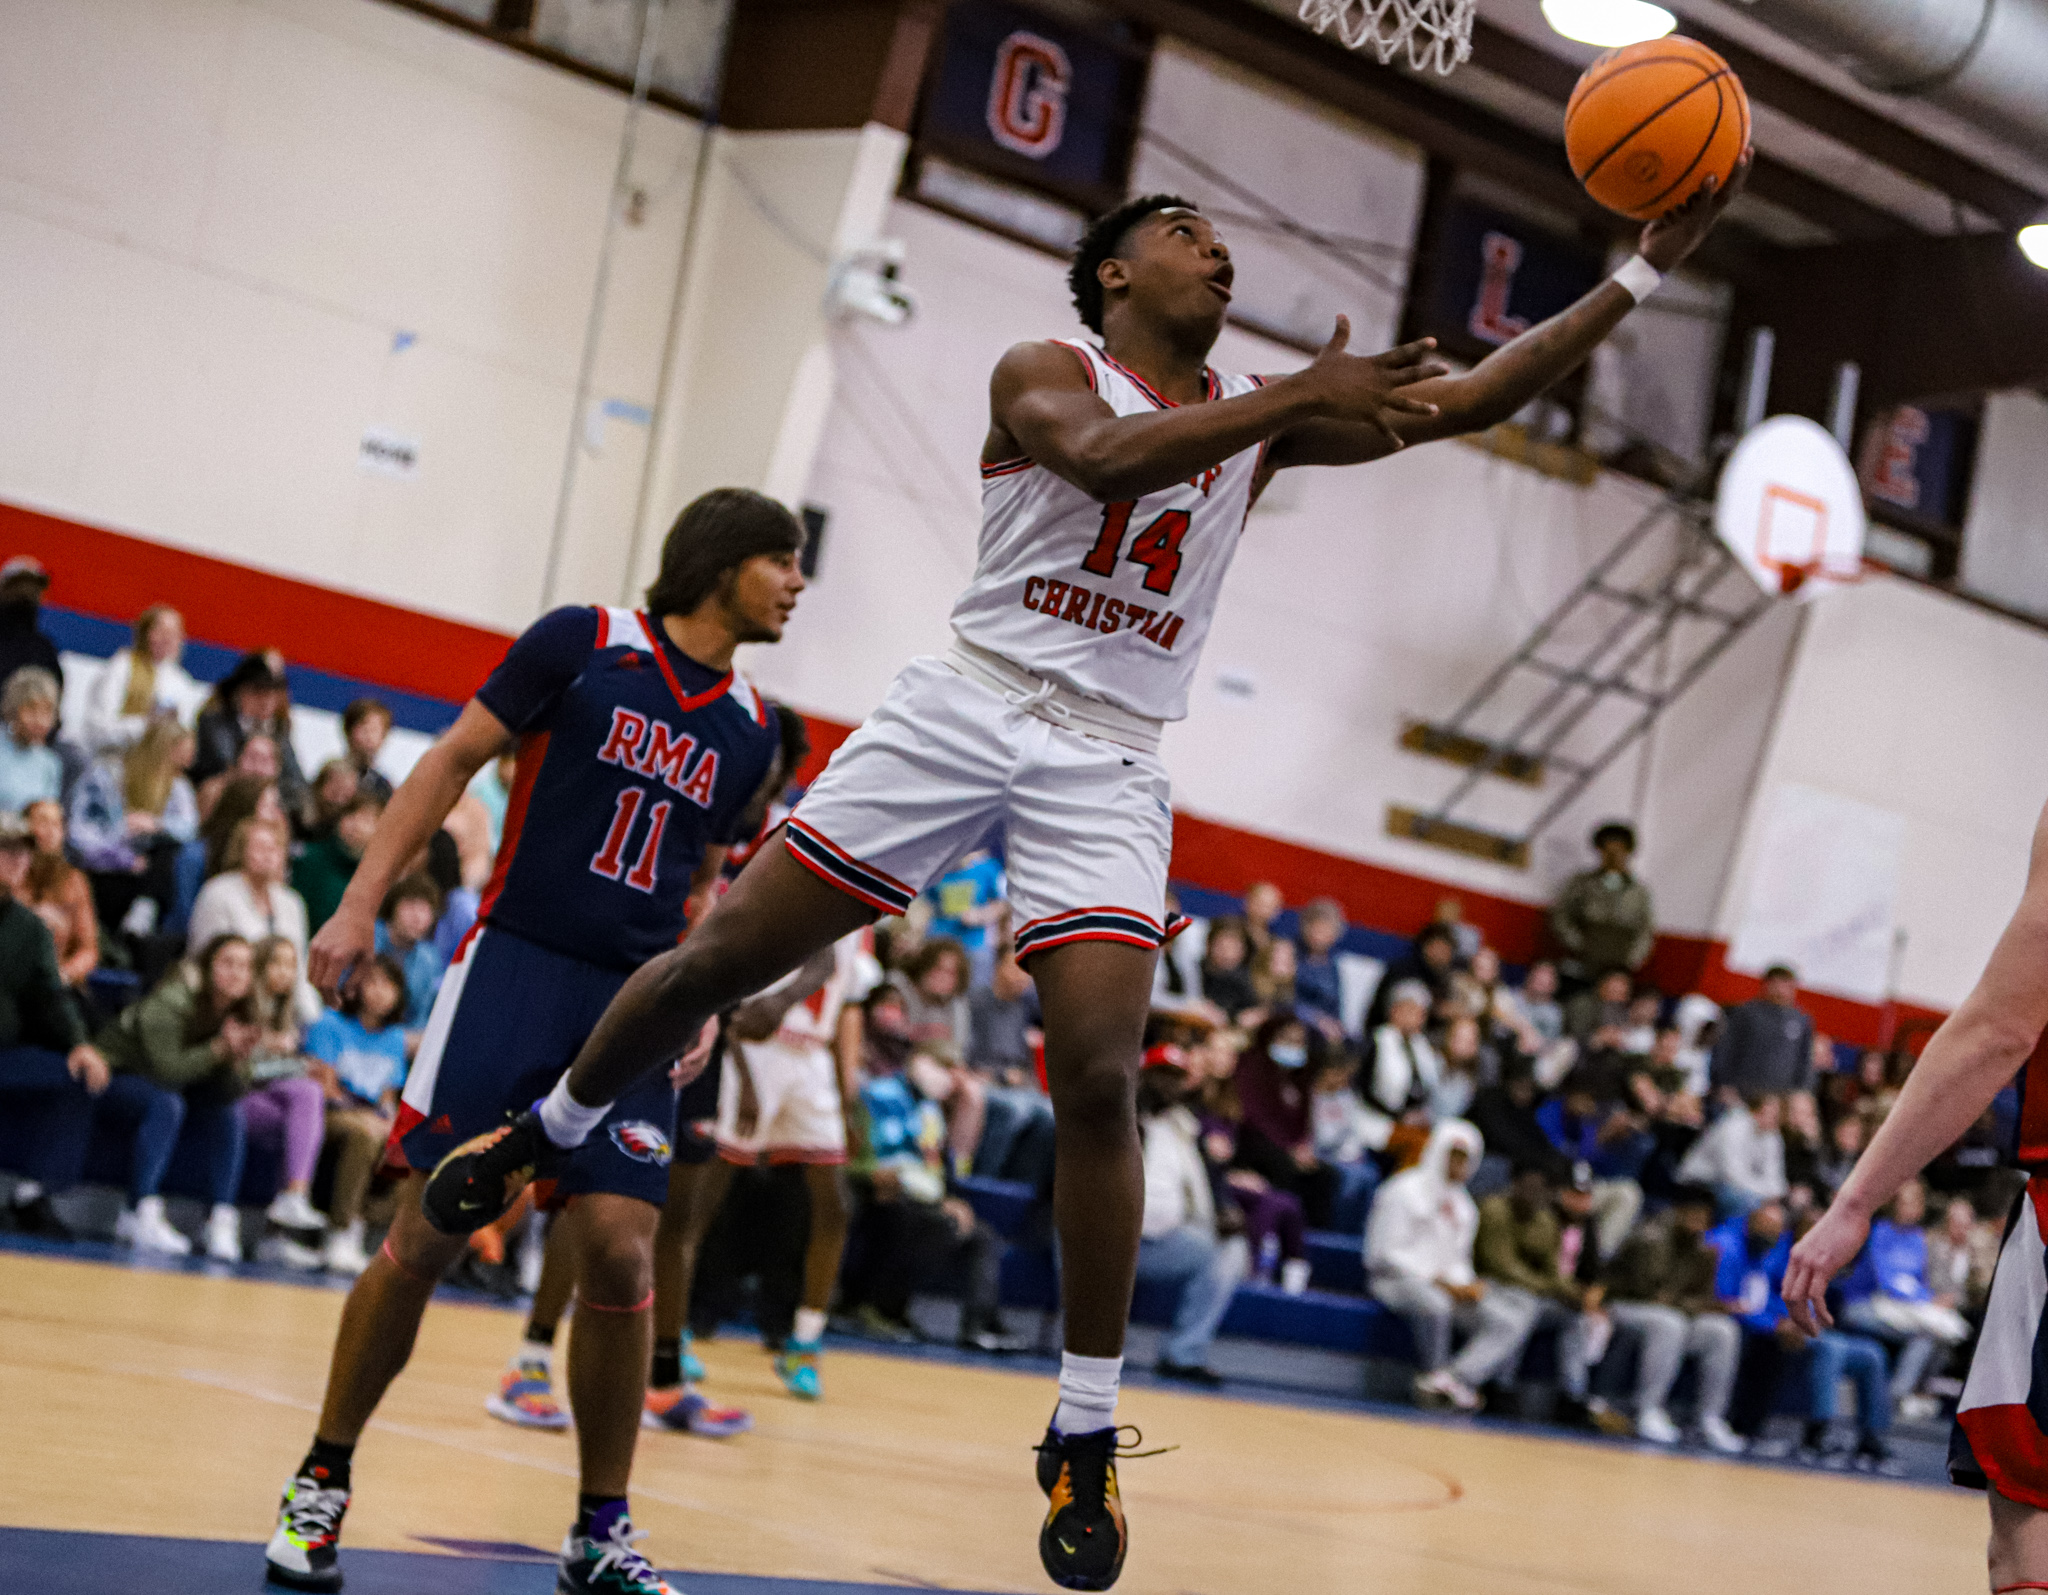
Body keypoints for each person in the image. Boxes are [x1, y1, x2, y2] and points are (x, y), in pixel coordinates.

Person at [421, 178, 1748, 1592]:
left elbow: (1478, 397)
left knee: (1104, 1076)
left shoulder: (1261, 405)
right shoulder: (1046, 369)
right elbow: (1107, 459)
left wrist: (1648, 272)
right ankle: (543, 1130)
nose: (1217, 249)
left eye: (1222, 239)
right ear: (1112, 275)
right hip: (969, 701)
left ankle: (1084, 1420)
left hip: (1110, 751)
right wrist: (1298, 395)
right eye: (1184, 233)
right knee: (719, 963)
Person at [262, 488, 795, 1595]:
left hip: (638, 1002)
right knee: (430, 1225)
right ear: (719, 563)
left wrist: (698, 996)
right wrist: (362, 902)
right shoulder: (582, 641)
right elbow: (451, 757)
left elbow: (707, 882)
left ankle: (599, 1527)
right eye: (781, 563)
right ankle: (322, 1476)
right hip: (514, 966)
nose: (796, 585)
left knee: (618, 1249)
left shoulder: (750, 728)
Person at [707, 936, 866, 1393]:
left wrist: (846, 1098)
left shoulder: (866, 929)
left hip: (813, 1056)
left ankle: (806, 1342)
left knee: (834, 1203)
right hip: (759, 1045)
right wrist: (735, 1048)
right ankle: (666, 1329)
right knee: (706, 1193)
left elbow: (840, 1007)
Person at [94, 933, 263, 1262]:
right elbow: (166, 1070)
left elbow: (230, 1089)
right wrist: (219, 1050)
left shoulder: (242, 1014)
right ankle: (138, 1211)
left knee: (228, 1113)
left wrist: (237, 1060)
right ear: (206, 968)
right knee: (166, 1104)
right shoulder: (172, 1001)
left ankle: (220, 1219)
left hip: (176, 1084)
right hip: (116, 1073)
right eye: (228, 963)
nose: (236, 973)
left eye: (245, 967)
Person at [1368, 1120, 1534, 1412]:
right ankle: (1433, 1373)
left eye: (1466, 1159)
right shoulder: (1403, 1190)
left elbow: (1458, 1260)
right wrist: (1438, 1281)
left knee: (1506, 1318)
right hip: (1394, 1281)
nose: (1459, 1165)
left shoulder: (1465, 1206)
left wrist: (1465, 1284)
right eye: (1453, 1155)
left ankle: (1454, 1377)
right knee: (1436, 1304)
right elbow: (1383, 1254)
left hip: (1445, 1285)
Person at [1718, 1197, 1893, 1465]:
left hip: (1810, 1328)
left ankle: (1870, 1435)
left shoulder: (1824, 1261)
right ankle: (1817, 1434)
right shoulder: (1775, 1255)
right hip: (1782, 1326)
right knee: (1830, 1349)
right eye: (1811, 1228)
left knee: (1871, 1354)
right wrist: (1782, 1320)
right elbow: (1757, 1298)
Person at [0, 812, 109, 1237]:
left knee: (81, 1074)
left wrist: (79, 1043)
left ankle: (32, 1193)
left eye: (22, 853)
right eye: (6, 851)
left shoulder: (30, 928)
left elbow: (51, 995)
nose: (15, 861)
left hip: (6, 1051)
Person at [1136, 1045, 1250, 1385]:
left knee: (1231, 1250)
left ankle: (1184, 1354)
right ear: (1142, 1075)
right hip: (1099, 1238)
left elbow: (1212, 1183)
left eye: (1175, 1079)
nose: (1167, 1087)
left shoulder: (1186, 1129)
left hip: (1160, 1242)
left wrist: (1225, 1209)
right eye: (1160, 1077)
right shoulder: (1113, 1115)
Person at [1602, 1185, 1744, 1450]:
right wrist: (1696, 1305)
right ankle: (1647, 1409)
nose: (1698, 1222)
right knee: (1669, 1323)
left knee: (1722, 1330)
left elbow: (1701, 1298)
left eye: (1704, 1216)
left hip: (1673, 1312)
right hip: (1624, 1306)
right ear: (1677, 1211)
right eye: (1693, 1214)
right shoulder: (1652, 1236)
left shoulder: (1704, 1246)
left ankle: (1710, 1418)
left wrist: (1712, 1306)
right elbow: (1653, 1292)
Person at [301, 957, 412, 1274]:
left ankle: (363, 1223)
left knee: (410, 1147)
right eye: (373, 982)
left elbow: (388, 1098)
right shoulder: (330, 1024)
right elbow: (326, 1089)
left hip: (370, 1117)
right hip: (329, 1114)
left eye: (389, 985)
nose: (380, 992)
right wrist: (369, 1119)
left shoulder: (394, 1038)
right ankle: (340, 1231)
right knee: (364, 1136)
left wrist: (390, 1123)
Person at [1471, 1164, 1601, 1426]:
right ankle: (1499, 1386)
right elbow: (1502, 1266)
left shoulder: (1548, 1221)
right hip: (1494, 1287)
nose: (1533, 1194)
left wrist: (1574, 1295)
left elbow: (1555, 1274)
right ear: (1515, 1184)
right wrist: (1548, 1288)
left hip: (1534, 1293)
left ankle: (1572, 1395)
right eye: (1529, 1186)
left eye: (1539, 1189)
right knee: (1524, 1306)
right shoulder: (1495, 1208)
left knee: (1573, 1316)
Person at [1835, 1176, 1971, 1419]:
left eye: (1914, 1202)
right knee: (1931, 1331)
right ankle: (1895, 1399)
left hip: (1905, 1309)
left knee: (1935, 1335)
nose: (1909, 1208)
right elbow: (1886, 1281)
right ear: (1893, 1203)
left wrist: (1928, 1298)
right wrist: (1924, 1299)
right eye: (1904, 1202)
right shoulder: (1878, 1232)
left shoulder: (1918, 1238)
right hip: (1866, 1305)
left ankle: (1898, 1396)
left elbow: (1920, 1282)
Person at [68, 716, 199, 936]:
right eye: (179, 754)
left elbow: (189, 828)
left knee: (171, 852)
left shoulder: (178, 786)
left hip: (145, 867)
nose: (185, 763)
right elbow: (82, 832)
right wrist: (122, 855)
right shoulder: (107, 776)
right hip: (104, 863)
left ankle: (143, 912)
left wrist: (155, 824)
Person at [241, 936, 331, 1244]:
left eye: (291, 965)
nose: (284, 972)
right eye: (276, 963)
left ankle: (277, 1232)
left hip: (263, 1099)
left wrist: (297, 1065)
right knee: (306, 1098)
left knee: (300, 1120)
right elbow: (246, 1072)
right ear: (259, 966)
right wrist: (296, 1066)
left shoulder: (286, 1015)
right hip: (232, 1097)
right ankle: (292, 1199)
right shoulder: (241, 1006)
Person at [188, 817, 320, 1026]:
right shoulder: (217, 893)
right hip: (228, 1008)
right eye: (259, 847)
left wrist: (314, 1021)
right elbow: (208, 961)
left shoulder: (292, 902)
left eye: (275, 848)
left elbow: (299, 968)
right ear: (241, 851)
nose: (268, 855)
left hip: (280, 1011)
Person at [193, 650, 308, 815]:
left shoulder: (278, 731)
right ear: (240, 691)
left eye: (274, 693)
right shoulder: (215, 722)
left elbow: (296, 781)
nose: (267, 701)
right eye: (260, 691)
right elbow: (228, 764)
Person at [78, 604, 205, 754]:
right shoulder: (122, 667)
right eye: (162, 631)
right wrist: (145, 726)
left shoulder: (181, 682)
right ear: (145, 633)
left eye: (174, 633)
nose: (168, 638)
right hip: (114, 761)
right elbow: (97, 731)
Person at [1549, 821, 1655, 986]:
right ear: (1599, 850)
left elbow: (1645, 930)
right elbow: (1561, 916)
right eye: (1608, 849)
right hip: (1583, 957)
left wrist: (1632, 959)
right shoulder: (1582, 883)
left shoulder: (1638, 891)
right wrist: (1578, 944)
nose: (1614, 855)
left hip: (1619, 962)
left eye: (1620, 850)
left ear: (1628, 852)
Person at [23, 797, 98, 989]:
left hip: (58, 982)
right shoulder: (9, 877)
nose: (51, 831)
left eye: (57, 824)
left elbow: (88, 950)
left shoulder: (74, 881)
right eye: (42, 822)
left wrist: (65, 974)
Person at [1710, 966, 1816, 1098]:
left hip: (1780, 1095)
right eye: (1775, 984)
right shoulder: (1747, 1012)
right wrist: (1724, 1083)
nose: (1780, 989)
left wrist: (1802, 1090)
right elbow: (1727, 1047)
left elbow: (1805, 1058)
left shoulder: (1801, 1019)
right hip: (1742, 1088)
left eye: (1786, 985)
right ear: (1765, 985)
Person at [1679, 1092, 1788, 1217]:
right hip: (1700, 1183)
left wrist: (1770, 1194)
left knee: (1776, 1208)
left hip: (1741, 1188)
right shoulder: (1732, 1127)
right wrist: (1766, 1194)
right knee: (1744, 1200)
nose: (1775, 1119)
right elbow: (1732, 1176)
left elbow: (1777, 1181)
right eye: (1771, 1114)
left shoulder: (1773, 1136)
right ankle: (1722, 1234)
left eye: (1778, 1115)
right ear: (1754, 1111)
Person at [293, 792, 384, 936]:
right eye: (351, 815)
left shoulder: (377, 876)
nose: (356, 825)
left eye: (366, 820)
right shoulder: (310, 858)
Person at [374, 872, 445, 1034]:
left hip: (401, 1036)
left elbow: (421, 1016)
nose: (418, 917)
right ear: (393, 906)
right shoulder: (367, 938)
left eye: (425, 910)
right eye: (411, 906)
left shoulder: (429, 959)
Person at [924, 847, 1007, 987]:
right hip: (939, 943)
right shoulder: (936, 869)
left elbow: (1003, 904)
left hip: (974, 946)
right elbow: (926, 905)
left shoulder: (987, 868)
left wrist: (980, 915)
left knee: (977, 993)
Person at [0, 666, 63, 814]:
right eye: (31, 709)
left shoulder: (50, 764)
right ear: (13, 710)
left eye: (47, 711)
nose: (40, 721)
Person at [0, 555, 62, 703]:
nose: (26, 592)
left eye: (33, 588)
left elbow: (50, 709)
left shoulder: (44, 650)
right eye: (18, 586)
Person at [1293, 897, 1347, 1039]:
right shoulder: (1290, 953)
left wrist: (1336, 1026)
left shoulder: (1332, 965)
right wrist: (1316, 1018)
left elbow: (1336, 1007)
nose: (1319, 936)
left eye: (1326, 930)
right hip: (1293, 1022)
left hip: (1323, 1033)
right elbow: (1280, 997)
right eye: (1317, 929)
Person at [1198, 916, 1257, 1021]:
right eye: (1221, 946)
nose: (1227, 954)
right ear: (1209, 945)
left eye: (1233, 947)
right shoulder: (1194, 971)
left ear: (1244, 951)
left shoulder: (1248, 981)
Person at [341, 698, 395, 806]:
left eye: (375, 730)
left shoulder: (383, 787)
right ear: (349, 730)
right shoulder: (330, 775)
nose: (369, 737)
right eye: (364, 729)